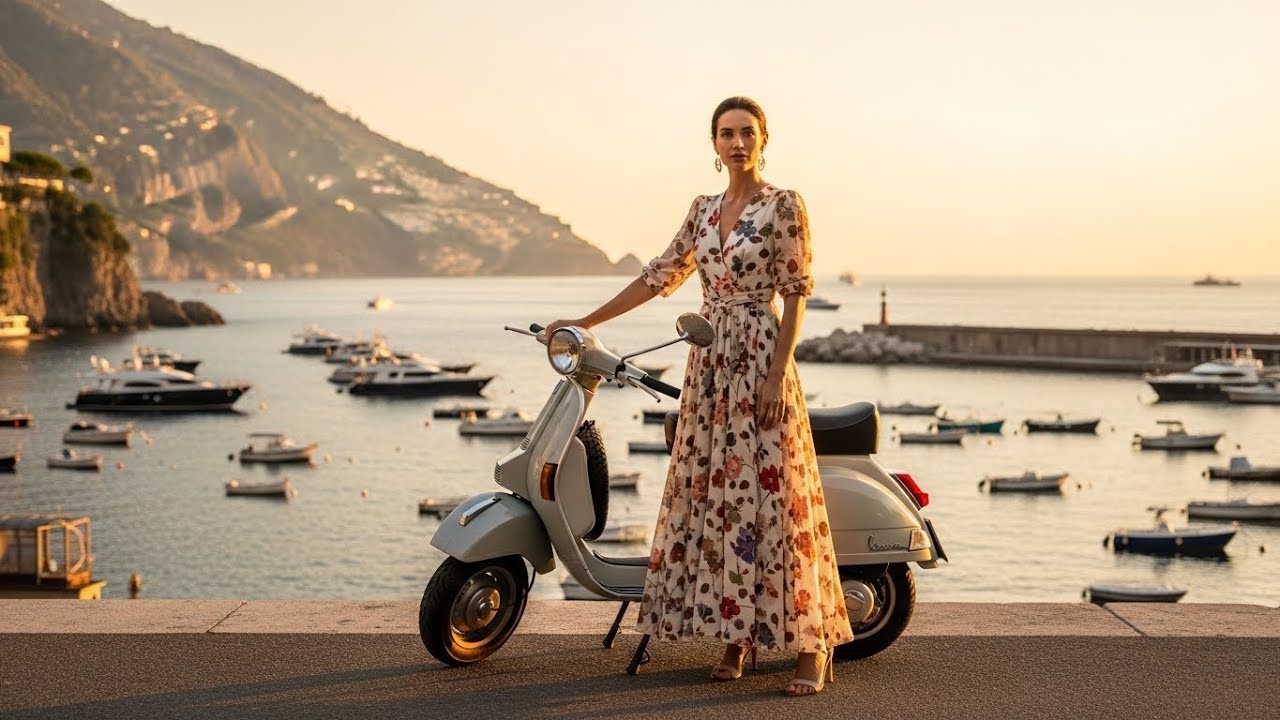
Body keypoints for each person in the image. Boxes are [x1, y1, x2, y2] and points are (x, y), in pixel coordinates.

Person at [545, 96, 850, 696]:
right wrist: (583, 323)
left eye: (747, 133)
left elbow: (795, 295)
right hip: (709, 364)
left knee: (778, 497)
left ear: (764, 140)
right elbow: (658, 276)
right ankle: (736, 635)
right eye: (726, 133)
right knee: (720, 500)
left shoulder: (784, 205)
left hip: (760, 357)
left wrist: (774, 377)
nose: (737, 143)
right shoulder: (702, 210)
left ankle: (812, 646)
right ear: (713, 143)